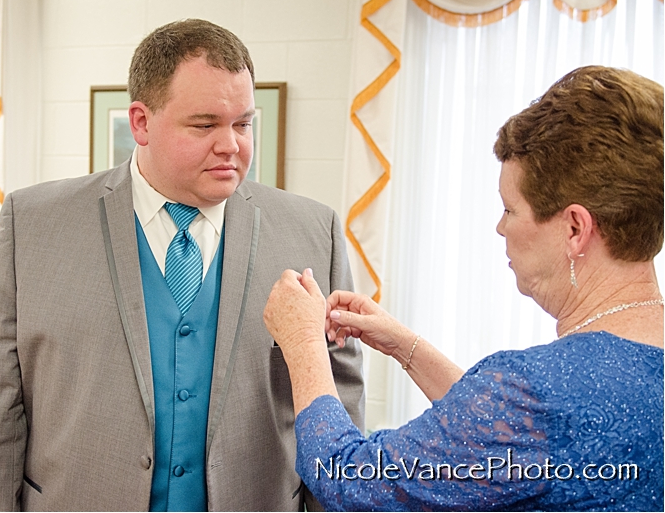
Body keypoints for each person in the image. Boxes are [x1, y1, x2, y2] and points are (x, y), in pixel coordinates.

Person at [0, 19, 364, 511]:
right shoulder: (35, 225)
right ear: (141, 123)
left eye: (242, 123)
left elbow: (338, 406)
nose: (231, 145)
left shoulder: (311, 231)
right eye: (204, 124)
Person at [263, 66, 663, 511]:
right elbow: (515, 442)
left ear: (574, 227)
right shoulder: (568, 392)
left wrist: (303, 346)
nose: (499, 227)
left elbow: (346, 479)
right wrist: (406, 346)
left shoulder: (534, 391)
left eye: (510, 209)